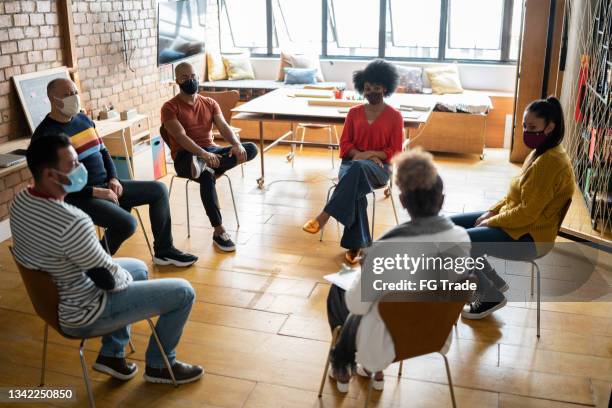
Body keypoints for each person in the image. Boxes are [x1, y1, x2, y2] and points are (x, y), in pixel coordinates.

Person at [10, 134, 203, 384]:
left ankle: (112, 355)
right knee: (184, 292)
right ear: (50, 176)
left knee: (138, 268)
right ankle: (160, 365)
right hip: (84, 313)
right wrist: (116, 273)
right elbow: (109, 281)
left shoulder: (21, 201)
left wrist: (114, 271)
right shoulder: (72, 221)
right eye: (73, 165)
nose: (81, 170)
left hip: (55, 297)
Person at [325, 148, 471, 392]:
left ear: (402, 201)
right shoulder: (461, 238)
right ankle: (373, 371)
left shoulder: (386, 248)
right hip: (433, 333)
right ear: (442, 200)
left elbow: (357, 305)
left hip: (387, 342)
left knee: (339, 291)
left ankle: (346, 366)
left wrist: (365, 270)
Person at [32, 78, 197, 267]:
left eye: (75, 92)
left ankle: (164, 251)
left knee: (159, 190)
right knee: (126, 223)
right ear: (53, 99)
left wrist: (114, 178)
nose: (74, 98)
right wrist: (97, 192)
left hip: (107, 185)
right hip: (79, 196)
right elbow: (54, 186)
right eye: (68, 95)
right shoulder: (45, 136)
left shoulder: (84, 120)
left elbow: (103, 151)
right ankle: (96, 263)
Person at [452, 96, 575, 319]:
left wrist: (491, 221)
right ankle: (492, 280)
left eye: (533, 127)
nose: (527, 132)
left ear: (550, 127)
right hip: (521, 225)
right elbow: (515, 193)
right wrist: (492, 211)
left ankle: (489, 294)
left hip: (530, 237)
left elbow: (528, 213)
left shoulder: (549, 162)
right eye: (525, 126)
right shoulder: (542, 152)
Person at [302, 59, 404, 265]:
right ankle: (356, 246)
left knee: (355, 173)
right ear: (362, 89)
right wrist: (363, 155)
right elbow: (345, 144)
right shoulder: (353, 113)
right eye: (367, 88)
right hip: (352, 165)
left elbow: (395, 151)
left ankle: (325, 216)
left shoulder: (395, 116)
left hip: (380, 169)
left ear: (385, 87)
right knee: (356, 185)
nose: (371, 92)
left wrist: (369, 155)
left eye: (376, 88)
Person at [161, 62, 258, 252]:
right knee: (206, 176)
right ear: (177, 81)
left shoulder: (209, 103)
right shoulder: (169, 107)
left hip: (211, 152)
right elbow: (180, 136)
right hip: (185, 158)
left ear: (197, 77)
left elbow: (223, 126)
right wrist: (202, 154)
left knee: (250, 148)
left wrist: (236, 145)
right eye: (184, 78)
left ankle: (208, 164)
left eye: (193, 76)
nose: (190, 80)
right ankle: (219, 230)